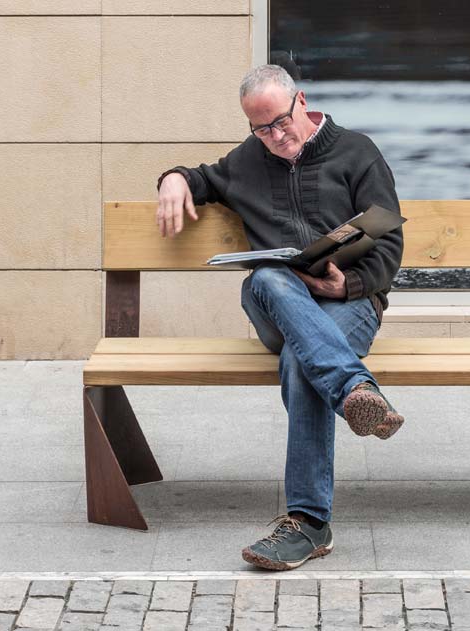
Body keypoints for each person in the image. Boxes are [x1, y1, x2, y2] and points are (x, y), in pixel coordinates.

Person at [155, 64, 405, 571]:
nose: (275, 136)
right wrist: (173, 179)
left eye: (281, 122)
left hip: (348, 305)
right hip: (278, 303)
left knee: (301, 359)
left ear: (302, 101)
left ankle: (308, 524)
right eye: (261, 128)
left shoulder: (357, 152)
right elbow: (202, 178)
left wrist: (347, 283)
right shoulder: (247, 161)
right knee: (266, 277)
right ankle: (354, 387)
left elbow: (389, 244)